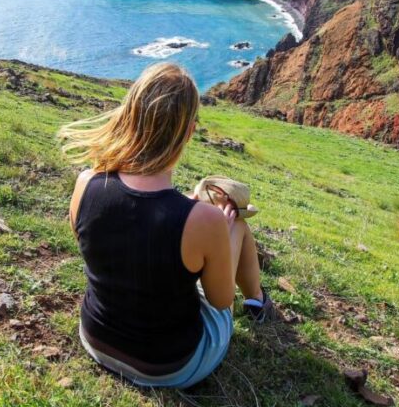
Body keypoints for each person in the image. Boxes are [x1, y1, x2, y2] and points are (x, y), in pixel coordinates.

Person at [58, 62, 272, 389]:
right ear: (188, 132)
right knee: (238, 226)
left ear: (130, 115)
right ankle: (258, 302)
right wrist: (224, 230)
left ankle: (257, 298)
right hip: (169, 366)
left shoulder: (86, 184)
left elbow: (129, 223)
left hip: (97, 339)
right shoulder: (205, 221)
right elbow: (221, 300)